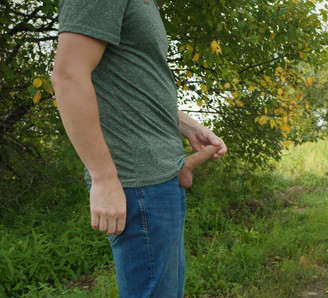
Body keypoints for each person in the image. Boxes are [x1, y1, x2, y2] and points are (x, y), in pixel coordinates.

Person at [51, 0, 227, 296]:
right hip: (139, 188)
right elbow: (68, 75)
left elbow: (137, 81)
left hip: (163, 182)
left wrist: (187, 126)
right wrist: (103, 178)